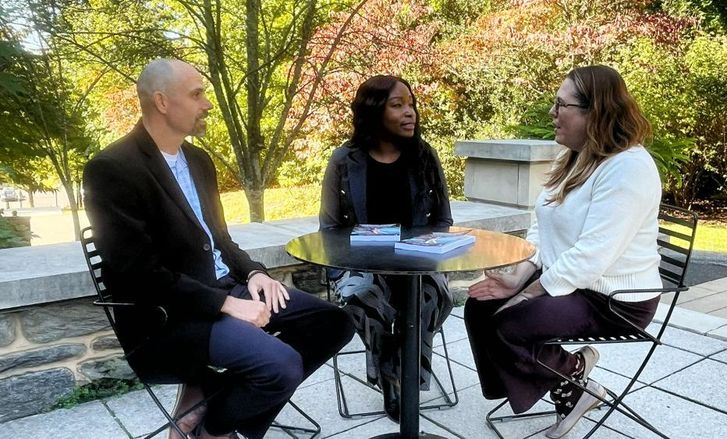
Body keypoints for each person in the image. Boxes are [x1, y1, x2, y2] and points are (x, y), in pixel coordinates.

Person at [83, 58, 354, 439]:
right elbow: (138, 274)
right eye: (197, 94)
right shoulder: (112, 168)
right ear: (162, 102)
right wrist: (229, 305)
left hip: (223, 288)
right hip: (167, 317)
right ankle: (216, 428)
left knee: (334, 322)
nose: (207, 104)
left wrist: (256, 273)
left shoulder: (198, 160)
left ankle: (213, 410)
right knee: (280, 365)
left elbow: (220, 240)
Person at [465, 65, 663, 438]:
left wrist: (526, 293)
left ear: (596, 112)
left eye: (562, 105)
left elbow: (592, 255)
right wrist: (520, 275)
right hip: (576, 283)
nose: (553, 114)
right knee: (480, 306)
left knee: (509, 323)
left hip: (614, 299)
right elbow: (544, 227)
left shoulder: (628, 168)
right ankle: (571, 379)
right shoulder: (574, 156)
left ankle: (572, 381)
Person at [319, 75, 453, 421]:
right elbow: (330, 229)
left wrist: (430, 252)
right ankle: (395, 376)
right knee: (361, 295)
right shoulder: (344, 161)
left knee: (431, 297)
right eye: (398, 105)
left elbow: (442, 220)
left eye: (411, 104)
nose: (410, 113)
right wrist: (339, 273)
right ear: (373, 111)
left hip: (419, 265)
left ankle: (400, 373)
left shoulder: (425, 156)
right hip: (362, 265)